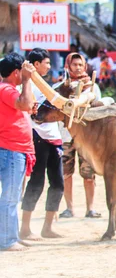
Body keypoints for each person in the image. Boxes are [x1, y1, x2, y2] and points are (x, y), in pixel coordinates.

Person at [20, 48, 64, 241]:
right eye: (46, 62)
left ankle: (47, 227)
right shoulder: (28, 85)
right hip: (37, 136)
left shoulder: (46, 85)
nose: (49, 65)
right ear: (36, 64)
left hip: (54, 137)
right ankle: (25, 227)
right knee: (36, 182)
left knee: (58, 183)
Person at [59, 53, 103, 219]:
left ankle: (90, 208)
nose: (77, 67)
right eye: (74, 64)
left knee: (88, 173)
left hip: (86, 138)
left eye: (80, 64)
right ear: (68, 66)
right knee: (66, 173)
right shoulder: (62, 87)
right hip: (66, 136)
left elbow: (98, 109)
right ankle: (69, 208)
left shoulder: (92, 88)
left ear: (85, 67)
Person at [0, 53, 36, 251]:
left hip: (13, 150)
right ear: (16, 72)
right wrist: (27, 80)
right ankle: (7, 240)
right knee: (10, 197)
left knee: (12, 196)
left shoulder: (7, 89)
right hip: (11, 150)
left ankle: (10, 235)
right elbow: (25, 104)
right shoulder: (6, 89)